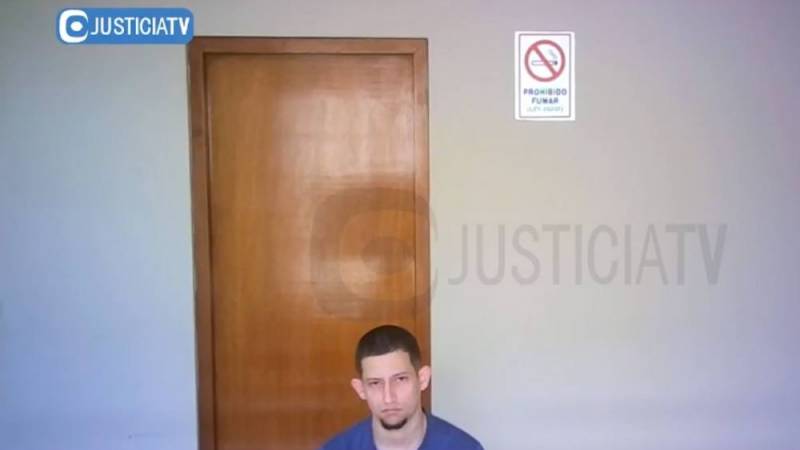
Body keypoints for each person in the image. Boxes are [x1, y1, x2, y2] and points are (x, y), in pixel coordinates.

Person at [320, 324, 484, 450]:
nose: (388, 397)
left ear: (423, 379)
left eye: (400, 379)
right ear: (360, 389)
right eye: (375, 383)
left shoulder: (463, 447)